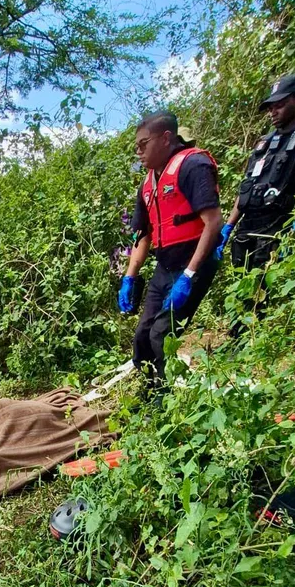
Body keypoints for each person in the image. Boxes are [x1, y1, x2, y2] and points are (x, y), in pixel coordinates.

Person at [118, 111, 223, 394]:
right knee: (142, 335)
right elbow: (144, 235)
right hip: (165, 267)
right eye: (136, 147)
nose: (139, 152)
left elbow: (213, 223)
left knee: (161, 334)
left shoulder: (193, 165)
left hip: (193, 264)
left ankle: (165, 401)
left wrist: (189, 275)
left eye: (144, 144)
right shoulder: (148, 184)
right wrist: (129, 277)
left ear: (166, 138)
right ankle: (149, 388)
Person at [215, 73, 295, 269]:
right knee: (243, 290)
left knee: (265, 291)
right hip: (246, 229)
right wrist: (228, 226)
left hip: (277, 227)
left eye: (279, 106)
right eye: (270, 108)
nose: (272, 112)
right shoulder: (264, 142)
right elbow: (246, 188)